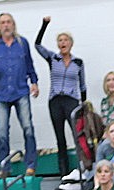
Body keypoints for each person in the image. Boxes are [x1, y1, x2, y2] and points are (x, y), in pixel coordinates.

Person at [0, 13, 39, 177]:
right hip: (1, 94)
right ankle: (5, 167)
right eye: (3, 23)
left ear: (13, 25)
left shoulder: (22, 43)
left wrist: (34, 82)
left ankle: (31, 165)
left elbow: (29, 65)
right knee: (2, 132)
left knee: (28, 128)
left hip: (21, 91)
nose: (6, 25)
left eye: (9, 22)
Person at [34, 17, 87, 177]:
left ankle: (83, 169)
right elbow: (37, 45)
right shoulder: (53, 58)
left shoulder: (78, 62)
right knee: (60, 138)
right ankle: (63, 173)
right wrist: (44, 25)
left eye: (66, 40)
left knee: (78, 136)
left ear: (71, 43)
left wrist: (84, 104)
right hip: (55, 100)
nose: (63, 43)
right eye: (60, 40)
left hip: (72, 101)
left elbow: (82, 84)